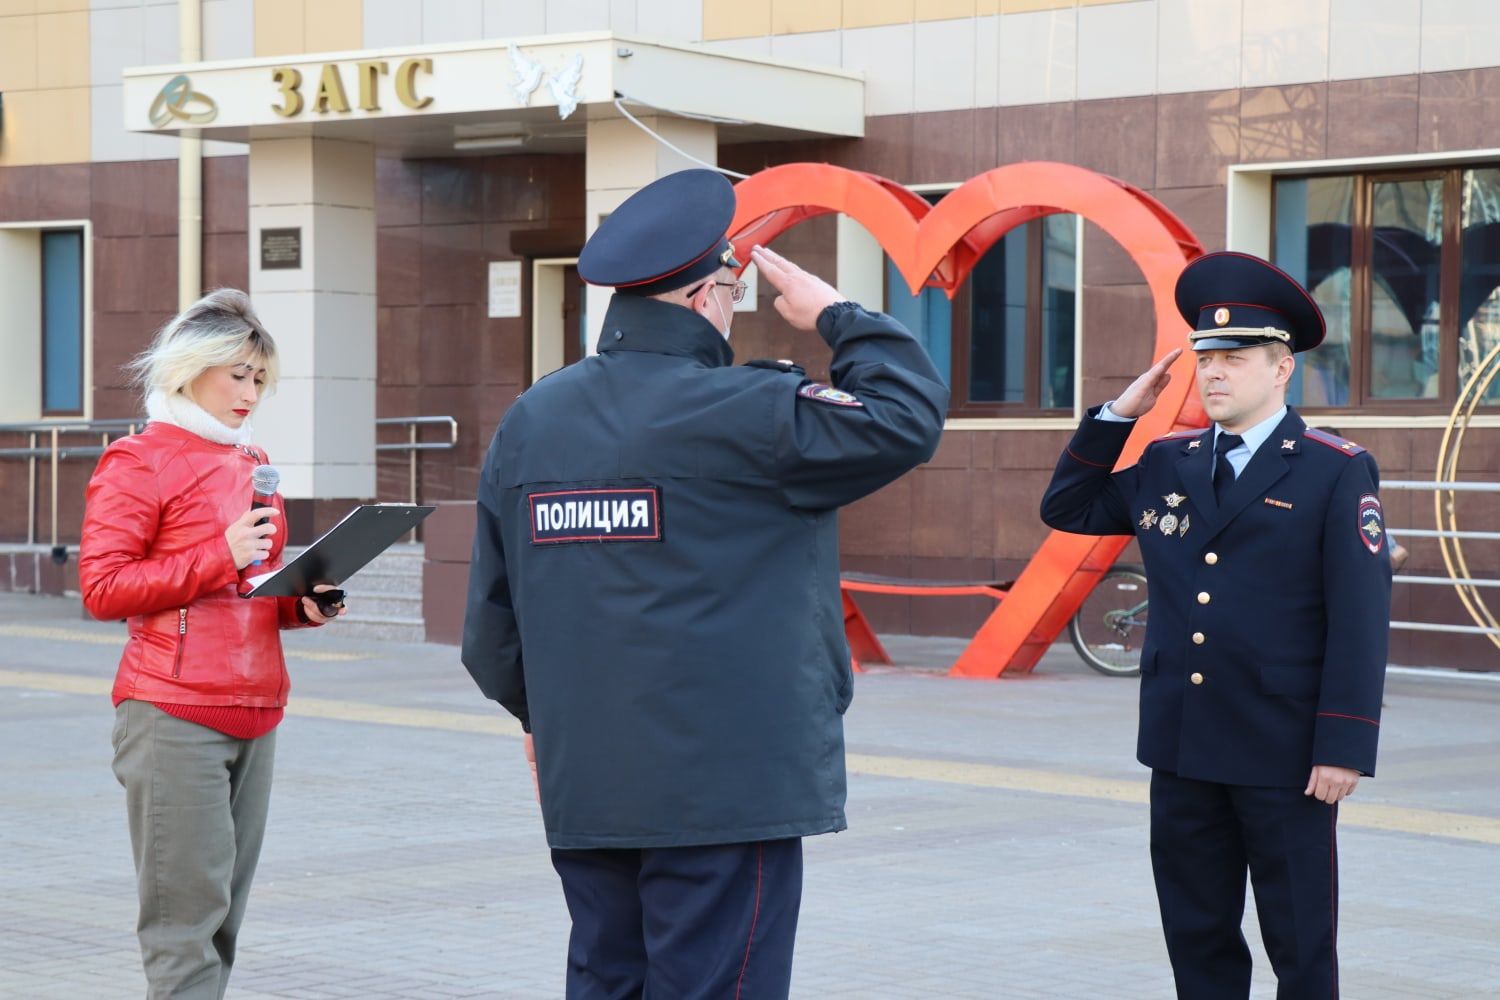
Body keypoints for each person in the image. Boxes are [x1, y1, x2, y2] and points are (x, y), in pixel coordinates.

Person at [461, 168, 947, 999]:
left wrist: (550, 722)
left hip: (591, 783)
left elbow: (491, 627)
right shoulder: (748, 411)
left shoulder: (532, 419)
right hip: (725, 791)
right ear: (703, 298)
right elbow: (906, 416)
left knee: (607, 978)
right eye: (729, 291)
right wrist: (839, 315)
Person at [1040, 251, 1391, 999]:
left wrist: (1345, 746)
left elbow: (1361, 618)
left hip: (1285, 753)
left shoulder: (1333, 468)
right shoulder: (1169, 462)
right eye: (1207, 360)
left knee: (1299, 942)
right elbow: (1068, 509)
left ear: (1281, 368)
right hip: (1183, 744)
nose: (1216, 374)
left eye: (1235, 358)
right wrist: (1116, 418)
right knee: (1197, 935)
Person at [79, 289, 347, 999]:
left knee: (222, 919)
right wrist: (220, 554)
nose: (250, 392)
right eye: (238, 373)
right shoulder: (138, 460)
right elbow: (103, 588)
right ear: (188, 369)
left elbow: (247, 590)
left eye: (261, 379)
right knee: (184, 927)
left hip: (258, 706)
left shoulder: (251, 462)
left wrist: (302, 607)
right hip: (173, 712)